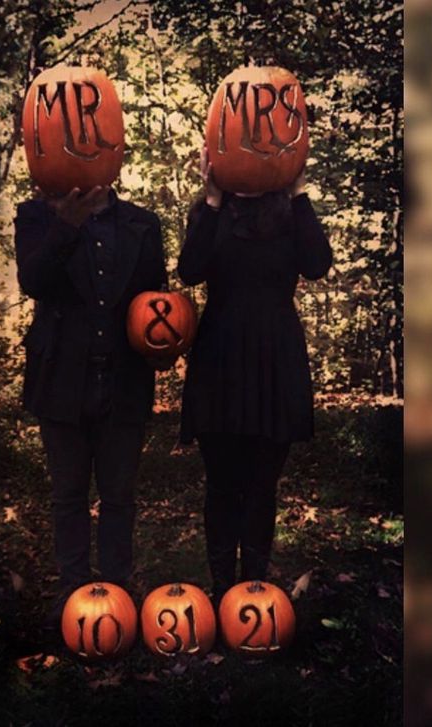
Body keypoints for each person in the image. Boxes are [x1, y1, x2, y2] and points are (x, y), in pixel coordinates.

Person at [178, 149, 333, 607]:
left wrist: (299, 191)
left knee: (263, 483)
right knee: (222, 483)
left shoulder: (288, 212)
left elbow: (317, 263)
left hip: (274, 358)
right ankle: (223, 589)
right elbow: (190, 270)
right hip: (221, 358)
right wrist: (210, 201)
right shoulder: (211, 211)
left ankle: (254, 588)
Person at [14, 185, 169, 625]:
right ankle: (74, 589)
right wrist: (68, 224)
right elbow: (33, 281)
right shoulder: (37, 215)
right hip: (61, 376)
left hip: (124, 378)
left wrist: (164, 340)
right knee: (68, 494)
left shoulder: (143, 223)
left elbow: (157, 298)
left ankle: (117, 590)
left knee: (119, 494)